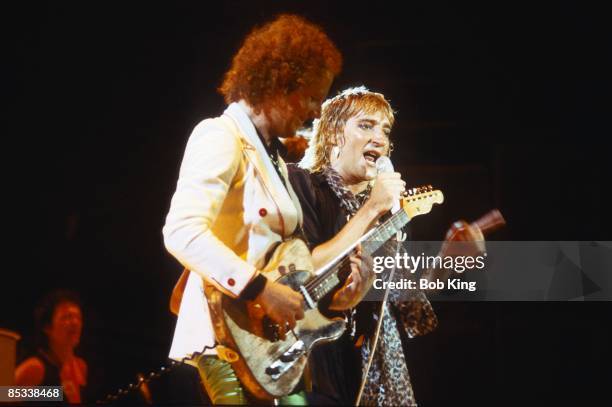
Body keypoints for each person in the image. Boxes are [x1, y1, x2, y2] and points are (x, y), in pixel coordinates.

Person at [162, 14, 342, 405]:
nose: (316, 111)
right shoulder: (219, 136)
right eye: (312, 96)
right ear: (279, 86)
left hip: (264, 350)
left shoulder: (271, 155)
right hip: (219, 343)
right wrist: (261, 290)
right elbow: (182, 231)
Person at [289, 86, 484, 406]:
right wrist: (372, 208)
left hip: (364, 375)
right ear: (335, 133)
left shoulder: (383, 218)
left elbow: (411, 303)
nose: (380, 138)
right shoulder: (303, 184)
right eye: (366, 126)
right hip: (310, 366)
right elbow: (303, 269)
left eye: (385, 130)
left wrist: (452, 262)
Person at [15, 290, 88, 404]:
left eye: (78, 317)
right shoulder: (36, 367)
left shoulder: (80, 366)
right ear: (47, 327)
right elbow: (5, 394)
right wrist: (55, 393)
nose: (75, 322)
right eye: (66, 317)